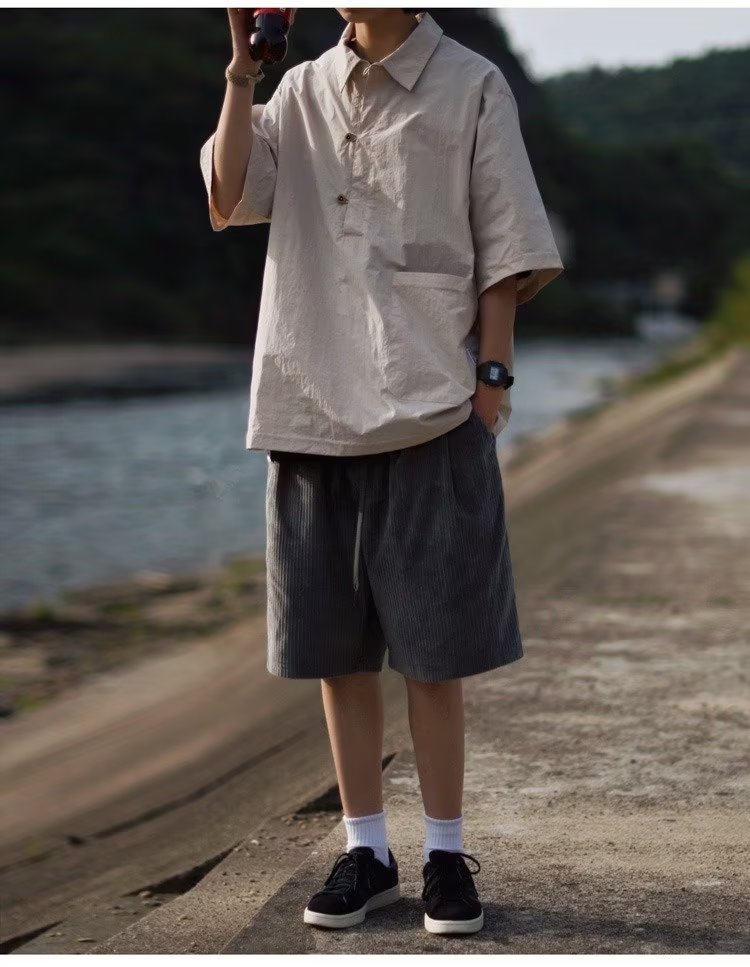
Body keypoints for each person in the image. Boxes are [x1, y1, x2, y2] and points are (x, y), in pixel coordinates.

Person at [200, 7, 564, 937]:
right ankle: (367, 851)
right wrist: (242, 76)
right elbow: (229, 195)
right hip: (309, 400)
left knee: (435, 656)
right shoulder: (300, 89)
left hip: (428, 401)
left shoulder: (471, 83)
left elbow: (506, 240)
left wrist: (492, 379)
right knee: (336, 655)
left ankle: (445, 853)